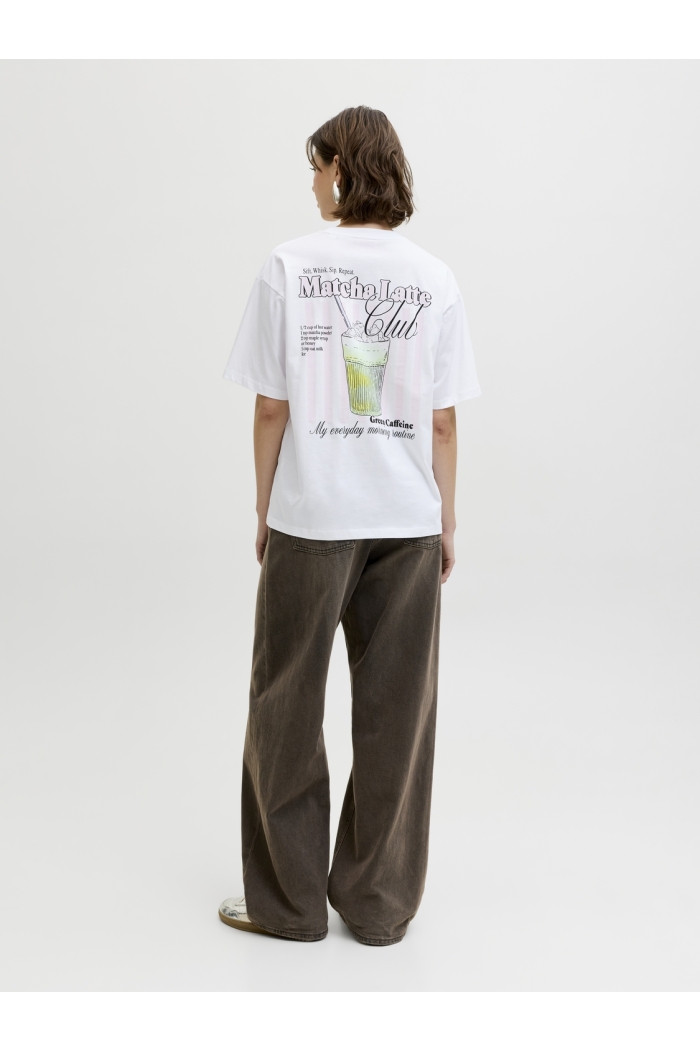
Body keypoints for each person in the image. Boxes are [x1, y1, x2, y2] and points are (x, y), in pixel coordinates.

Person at [218, 106, 481, 946]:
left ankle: (289, 906)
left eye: (318, 164)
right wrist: (445, 518)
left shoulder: (289, 265)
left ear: (343, 170)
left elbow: (271, 407)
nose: (312, 180)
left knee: (285, 704)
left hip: (314, 513)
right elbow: (442, 421)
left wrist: (266, 505)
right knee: (399, 714)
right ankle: (378, 907)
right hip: (407, 521)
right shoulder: (434, 278)